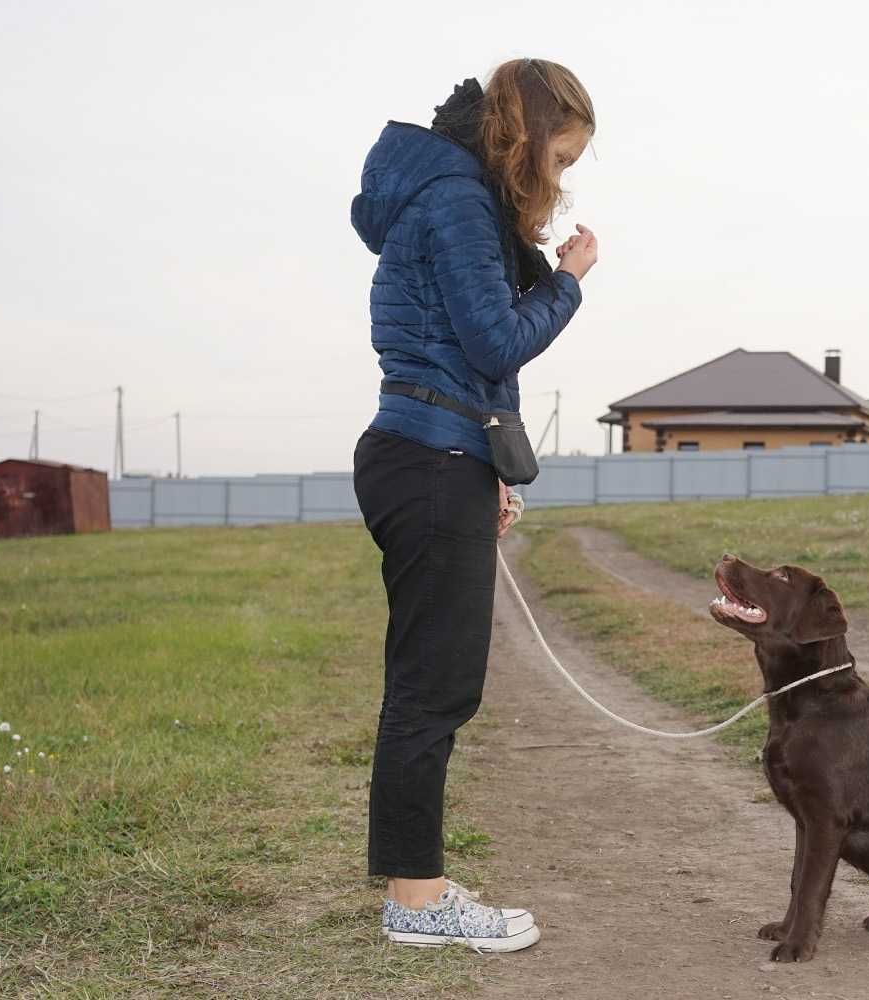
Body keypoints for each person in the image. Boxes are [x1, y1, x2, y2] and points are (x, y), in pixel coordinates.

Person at [348, 58, 597, 953]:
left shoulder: (456, 199)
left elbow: (462, 356)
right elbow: (495, 339)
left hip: (433, 452)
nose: (561, 182)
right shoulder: (455, 200)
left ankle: (416, 891)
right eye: (561, 160)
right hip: (424, 456)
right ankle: (418, 903)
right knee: (433, 687)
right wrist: (566, 284)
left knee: (432, 683)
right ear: (526, 138)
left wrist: (485, 468)